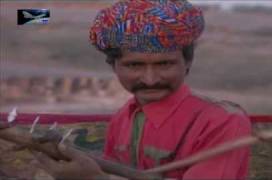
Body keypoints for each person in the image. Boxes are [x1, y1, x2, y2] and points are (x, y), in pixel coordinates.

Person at [10, 0, 252, 179]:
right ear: (113, 66)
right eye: (134, 65)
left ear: (187, 62)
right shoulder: (123, 117)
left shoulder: (222, 122)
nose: (149, 79)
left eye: (164, 64)